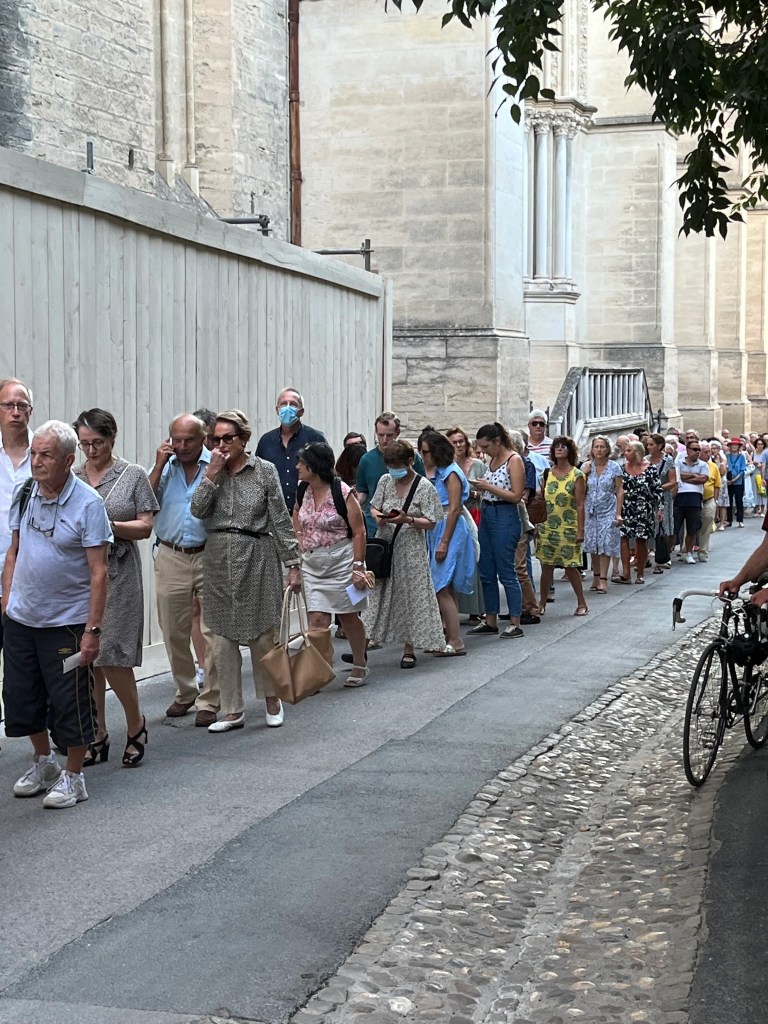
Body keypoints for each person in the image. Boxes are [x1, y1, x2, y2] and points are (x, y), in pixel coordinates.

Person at [2, 421, 111, 809]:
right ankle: (44, 762)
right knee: (21, 698)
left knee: (70, 703)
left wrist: (92, 631)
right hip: (21, 620)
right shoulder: (25, 492)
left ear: (67, 460)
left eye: (45, 455)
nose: (36, 461)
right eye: (34, 453)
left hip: (67, 624)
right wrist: (7, 600)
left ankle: (74, 776)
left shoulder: (88, 504)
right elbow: (14, 550)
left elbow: (99, 572)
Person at [191, 410, 301, 731]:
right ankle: (232, 710)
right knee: (221, 638)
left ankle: (272, 699)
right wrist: (211, 475)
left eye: (228, 438)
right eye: (216, 439)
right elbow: (197, 509)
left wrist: (293, 564)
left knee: (263, 634)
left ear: (244, 439)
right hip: (218, 557)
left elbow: (280, 519)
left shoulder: (264, 470)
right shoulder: (212, 471)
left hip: (257, 555)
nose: (221, 445)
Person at [73, 409, 158, 767]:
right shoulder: (74, 476)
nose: (91, 450)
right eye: (85, 444)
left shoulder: (132, 474)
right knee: (88, 659)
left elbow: (145, 526)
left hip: (120, 573)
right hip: (80, 575)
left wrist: (107, 525)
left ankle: (136, 725)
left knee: (113, 655)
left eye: (98, 443)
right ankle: (97, 733)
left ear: (112, 438)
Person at [149, 414, 221, 727]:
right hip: (171, 554)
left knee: (212, 631)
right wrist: (158, 466)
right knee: (173, 629)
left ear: (203, 438)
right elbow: (145, 503)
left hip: (208, 553)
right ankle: (186, 690)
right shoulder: (165, 467)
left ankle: (211, 698)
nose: (181, 446)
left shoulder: (215, 464)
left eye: (188, 440)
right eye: (176, 440)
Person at [362, 439, 446, 667]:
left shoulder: (424, 486)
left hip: (410, 548)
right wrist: (378, 516)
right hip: (385, 544)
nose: (393, 471)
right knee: (375, 595)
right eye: (389, 466)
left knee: (410, 597)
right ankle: (361, 648)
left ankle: (409, 649)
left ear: (409, 461)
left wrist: (407, 519)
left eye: (397, 466)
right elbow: (374, 506)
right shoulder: (385, 481)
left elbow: (432, 522)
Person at [294, 442, 369, 685]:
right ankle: (320, 670)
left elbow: (359, 531)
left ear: (314, 466)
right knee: (317, 620)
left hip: (341, 562)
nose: (297, 466)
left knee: (348, 618)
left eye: (302, 462)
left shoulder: (342, 491)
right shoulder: (302, 490)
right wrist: (299, 538)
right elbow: (296, 515)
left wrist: (358, 566)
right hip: (312, 563)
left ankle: (359, 662)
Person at [418, 428, 476, 655]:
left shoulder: (451, 473)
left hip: (448, 529)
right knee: (444, 586)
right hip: (438, 527)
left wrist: (444, 542)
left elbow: (453, 509)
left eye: (426, 452)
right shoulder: (440, 471)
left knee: (440, 585)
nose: (423, 456)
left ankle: (454, 639)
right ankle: (450, 636)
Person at [469, 422, 526, 639]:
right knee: (486, 569)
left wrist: (488, 487)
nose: (484, 451)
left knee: (506, 570)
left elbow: (516, 495)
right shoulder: (492, 460)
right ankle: (490, 618)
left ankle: (515, 621)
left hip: (505, 515)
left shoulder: (514, 460)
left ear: (497, 442)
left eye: (486, 446)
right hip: (488, 512)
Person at [0, 378, 33, 666]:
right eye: (8, 405)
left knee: (23, 668)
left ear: (30, 411)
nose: (15, 412)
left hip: (30, 578)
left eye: (21, 406)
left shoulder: (45, 453)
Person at [536, 436, 588, 614]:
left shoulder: (577, 475)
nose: (559, 449)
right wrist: (537, 524)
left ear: (569, 451)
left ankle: (582, 603)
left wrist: (581, 530)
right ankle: (542, 603)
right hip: (547, 525)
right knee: (546, 566)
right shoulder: (547, 473)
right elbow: (542, 500)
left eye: (563, 446)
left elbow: (580, 504)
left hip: (568, 526)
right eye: (556, 446)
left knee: (571, 566)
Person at [355, 412, 425, 537]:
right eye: (380, 435)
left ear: (397, 433)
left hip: (406, 527)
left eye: (389, 435)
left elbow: (422, 488)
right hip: (374, 526)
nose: (384, 440)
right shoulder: (366, 460)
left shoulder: (412, 458)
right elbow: (363, 491)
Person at [255, 387, 325, 510]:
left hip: (307, 512)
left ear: (301, 411)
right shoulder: (266, 441)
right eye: (283, 404)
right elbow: (257, 478)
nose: (287, 408)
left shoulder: (315, 438)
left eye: (293, 404)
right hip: (274, 514)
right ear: (277, 410)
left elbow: (326, 476)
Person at [445, 425, 486, 622]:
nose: (458, 445)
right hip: (455, 515)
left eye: (461, 441)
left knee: (474, 559)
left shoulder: (477, 464)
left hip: (475, 512)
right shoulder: (446, 466)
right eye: (454, 442)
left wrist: (474, 493)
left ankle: (475, 608)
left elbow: (487, 489)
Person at [581, 435, 623, 594]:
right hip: (591, 510)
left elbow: (619, 490)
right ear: (592, 449)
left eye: (602, 447)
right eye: (596, 447)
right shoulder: (586, 466)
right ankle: (596, 576)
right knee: (593, 544)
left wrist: (618, 513)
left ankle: (603, 579)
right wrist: (583, 474)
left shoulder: (614, 467)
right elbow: (579, 489)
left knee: (606, 542)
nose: (599, 450)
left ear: (607, 449)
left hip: (608, 509)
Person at [616, 440, 662, 584]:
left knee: (642, 539)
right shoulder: (622, 469)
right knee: (623, 538)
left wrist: (660, 509)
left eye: (629, 450)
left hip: (644, 509)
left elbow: (657, 490)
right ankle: (626, 573)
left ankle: (640, 573)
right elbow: (617, 489)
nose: (625, 453)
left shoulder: (650, 469)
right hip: (626, 508)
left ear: (637, 453)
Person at [645, 432, 676, 572]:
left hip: (663, 498)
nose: (648, 447)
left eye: (651, 444)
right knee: (648, 527)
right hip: (648, 498)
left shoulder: (668, 460)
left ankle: (664, 556)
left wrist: (658, 488)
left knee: (663, 527)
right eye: (648, 444)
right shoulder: (645, 460)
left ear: (659, 446)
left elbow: (673, 481)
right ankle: (645, 556)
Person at [697, 441, 721, 563]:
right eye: (705, 452)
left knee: (706, 527)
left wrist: (715, 501)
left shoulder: (713, 466)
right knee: (690, 526)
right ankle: (686, 550)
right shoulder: (694, 465)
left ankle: (703, 552)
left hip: (709, 499)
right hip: (695, 499)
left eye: (709, 452)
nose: (708, 454)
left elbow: (717, 485)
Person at [726, 437, 747, 527]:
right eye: (732, 445)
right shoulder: (726, 456)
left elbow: (743, 470)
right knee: (729, 501)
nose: (734, 446)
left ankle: (740, 520)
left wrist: (734, 480)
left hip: (738, 482)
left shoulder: (742, 456)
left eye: (736, 445)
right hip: (728, 482)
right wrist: (727, 480)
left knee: (739, 500)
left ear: (739, 446)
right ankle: (729, 520)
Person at [752, 437, 768, 517]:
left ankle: (762, 510)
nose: (760, 446)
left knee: (763, 491)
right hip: (754, 473)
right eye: (758, 444)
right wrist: (753, 462)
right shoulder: (753, 453)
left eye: (761, 444)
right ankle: (756, 509)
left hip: (763, 473)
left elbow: (765, 465)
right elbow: (749, 462)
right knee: (755, 491)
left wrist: (760, 465)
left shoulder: (765, 453)